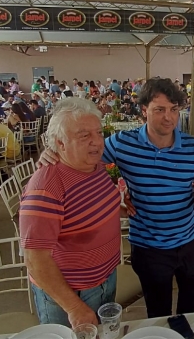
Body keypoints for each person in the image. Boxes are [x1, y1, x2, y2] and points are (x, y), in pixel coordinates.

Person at [38, 78, 194, 320]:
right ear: (144, 111)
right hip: (149, 246)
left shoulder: (193, 148)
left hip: (188, 240)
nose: (168, 117)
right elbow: (84, 160)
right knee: (158, 313)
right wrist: (53, 151)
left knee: (193, 313)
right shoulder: (123, 143)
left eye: (174, 110)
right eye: (159, 110)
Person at [21, 98, 126, 328]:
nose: (97, 142)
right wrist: (74, 307)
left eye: (98, 132)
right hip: (70, 295)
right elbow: (35, 260)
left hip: (104, 281)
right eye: (84, 136)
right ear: (60, 143)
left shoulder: (95, 167)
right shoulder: (46, 185)